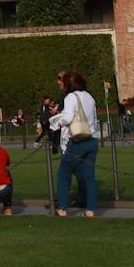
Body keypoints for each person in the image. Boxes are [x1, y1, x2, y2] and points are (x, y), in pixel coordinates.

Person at [50, 69, 100, 218]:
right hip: (92, 138)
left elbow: (67, 117)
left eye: (61, 80)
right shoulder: (90, 97)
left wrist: (54, 122)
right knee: (89, 176)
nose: (59, 83)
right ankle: (90, 210)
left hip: (78, 139)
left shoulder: (71, 97)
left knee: (64, 173)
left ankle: (62, 208)